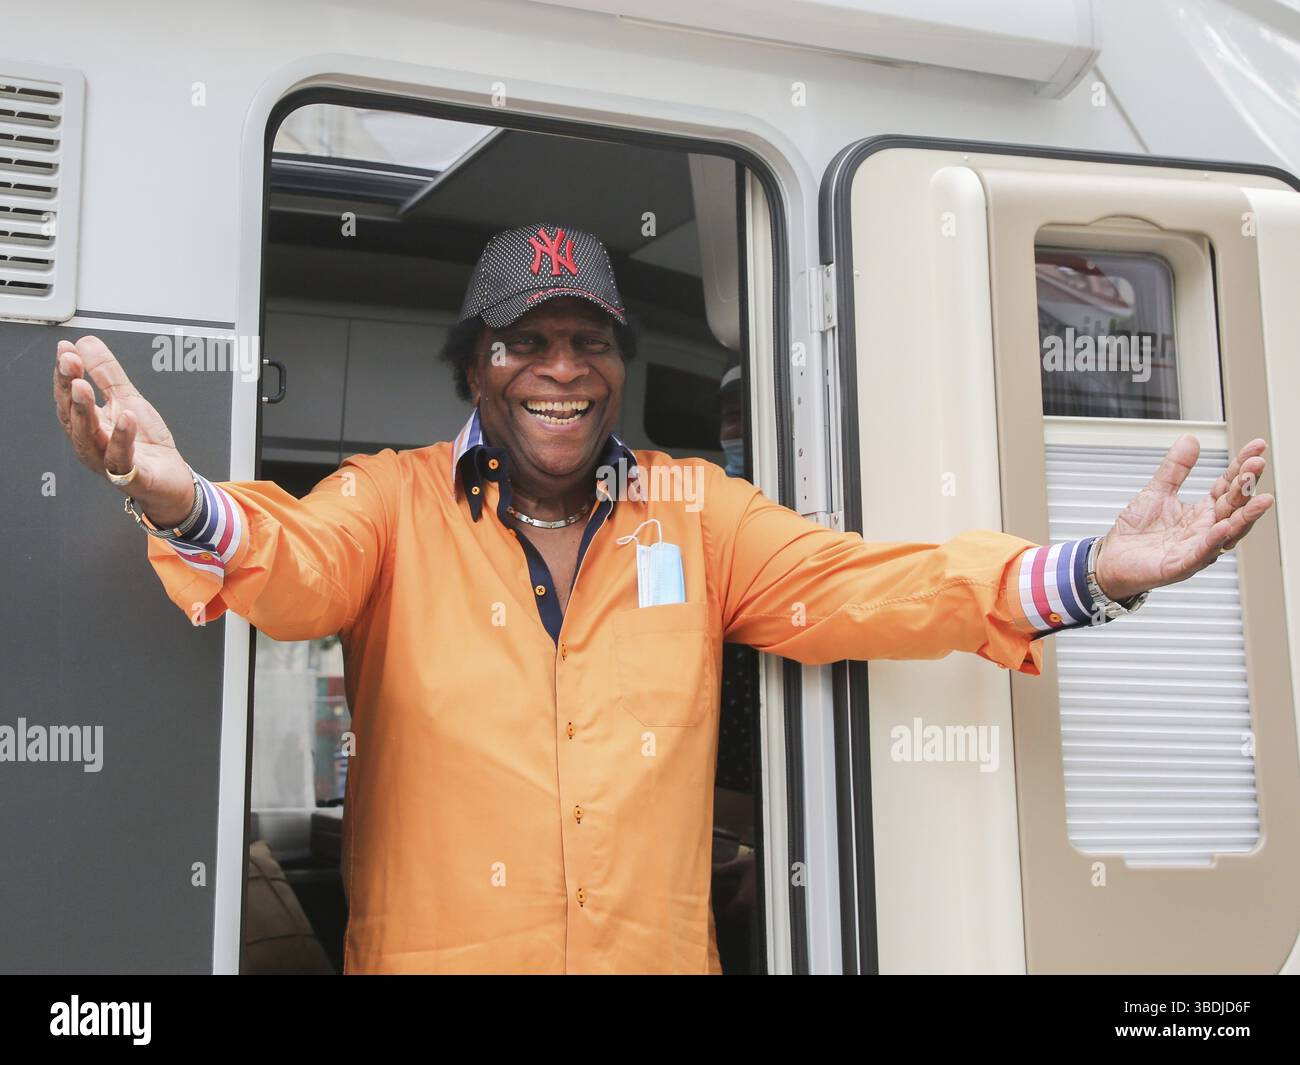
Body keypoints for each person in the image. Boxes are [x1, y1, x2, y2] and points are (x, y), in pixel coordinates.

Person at [51, 222, 1275, 974]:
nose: (561, 370)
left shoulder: (698, 508)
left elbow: (865, 588)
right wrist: (177, 497)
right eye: (524, 341)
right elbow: (294, 570)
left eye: (589, 341)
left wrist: (1088, 577)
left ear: (618, 367)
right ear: (475, 367)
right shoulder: (392, 500)